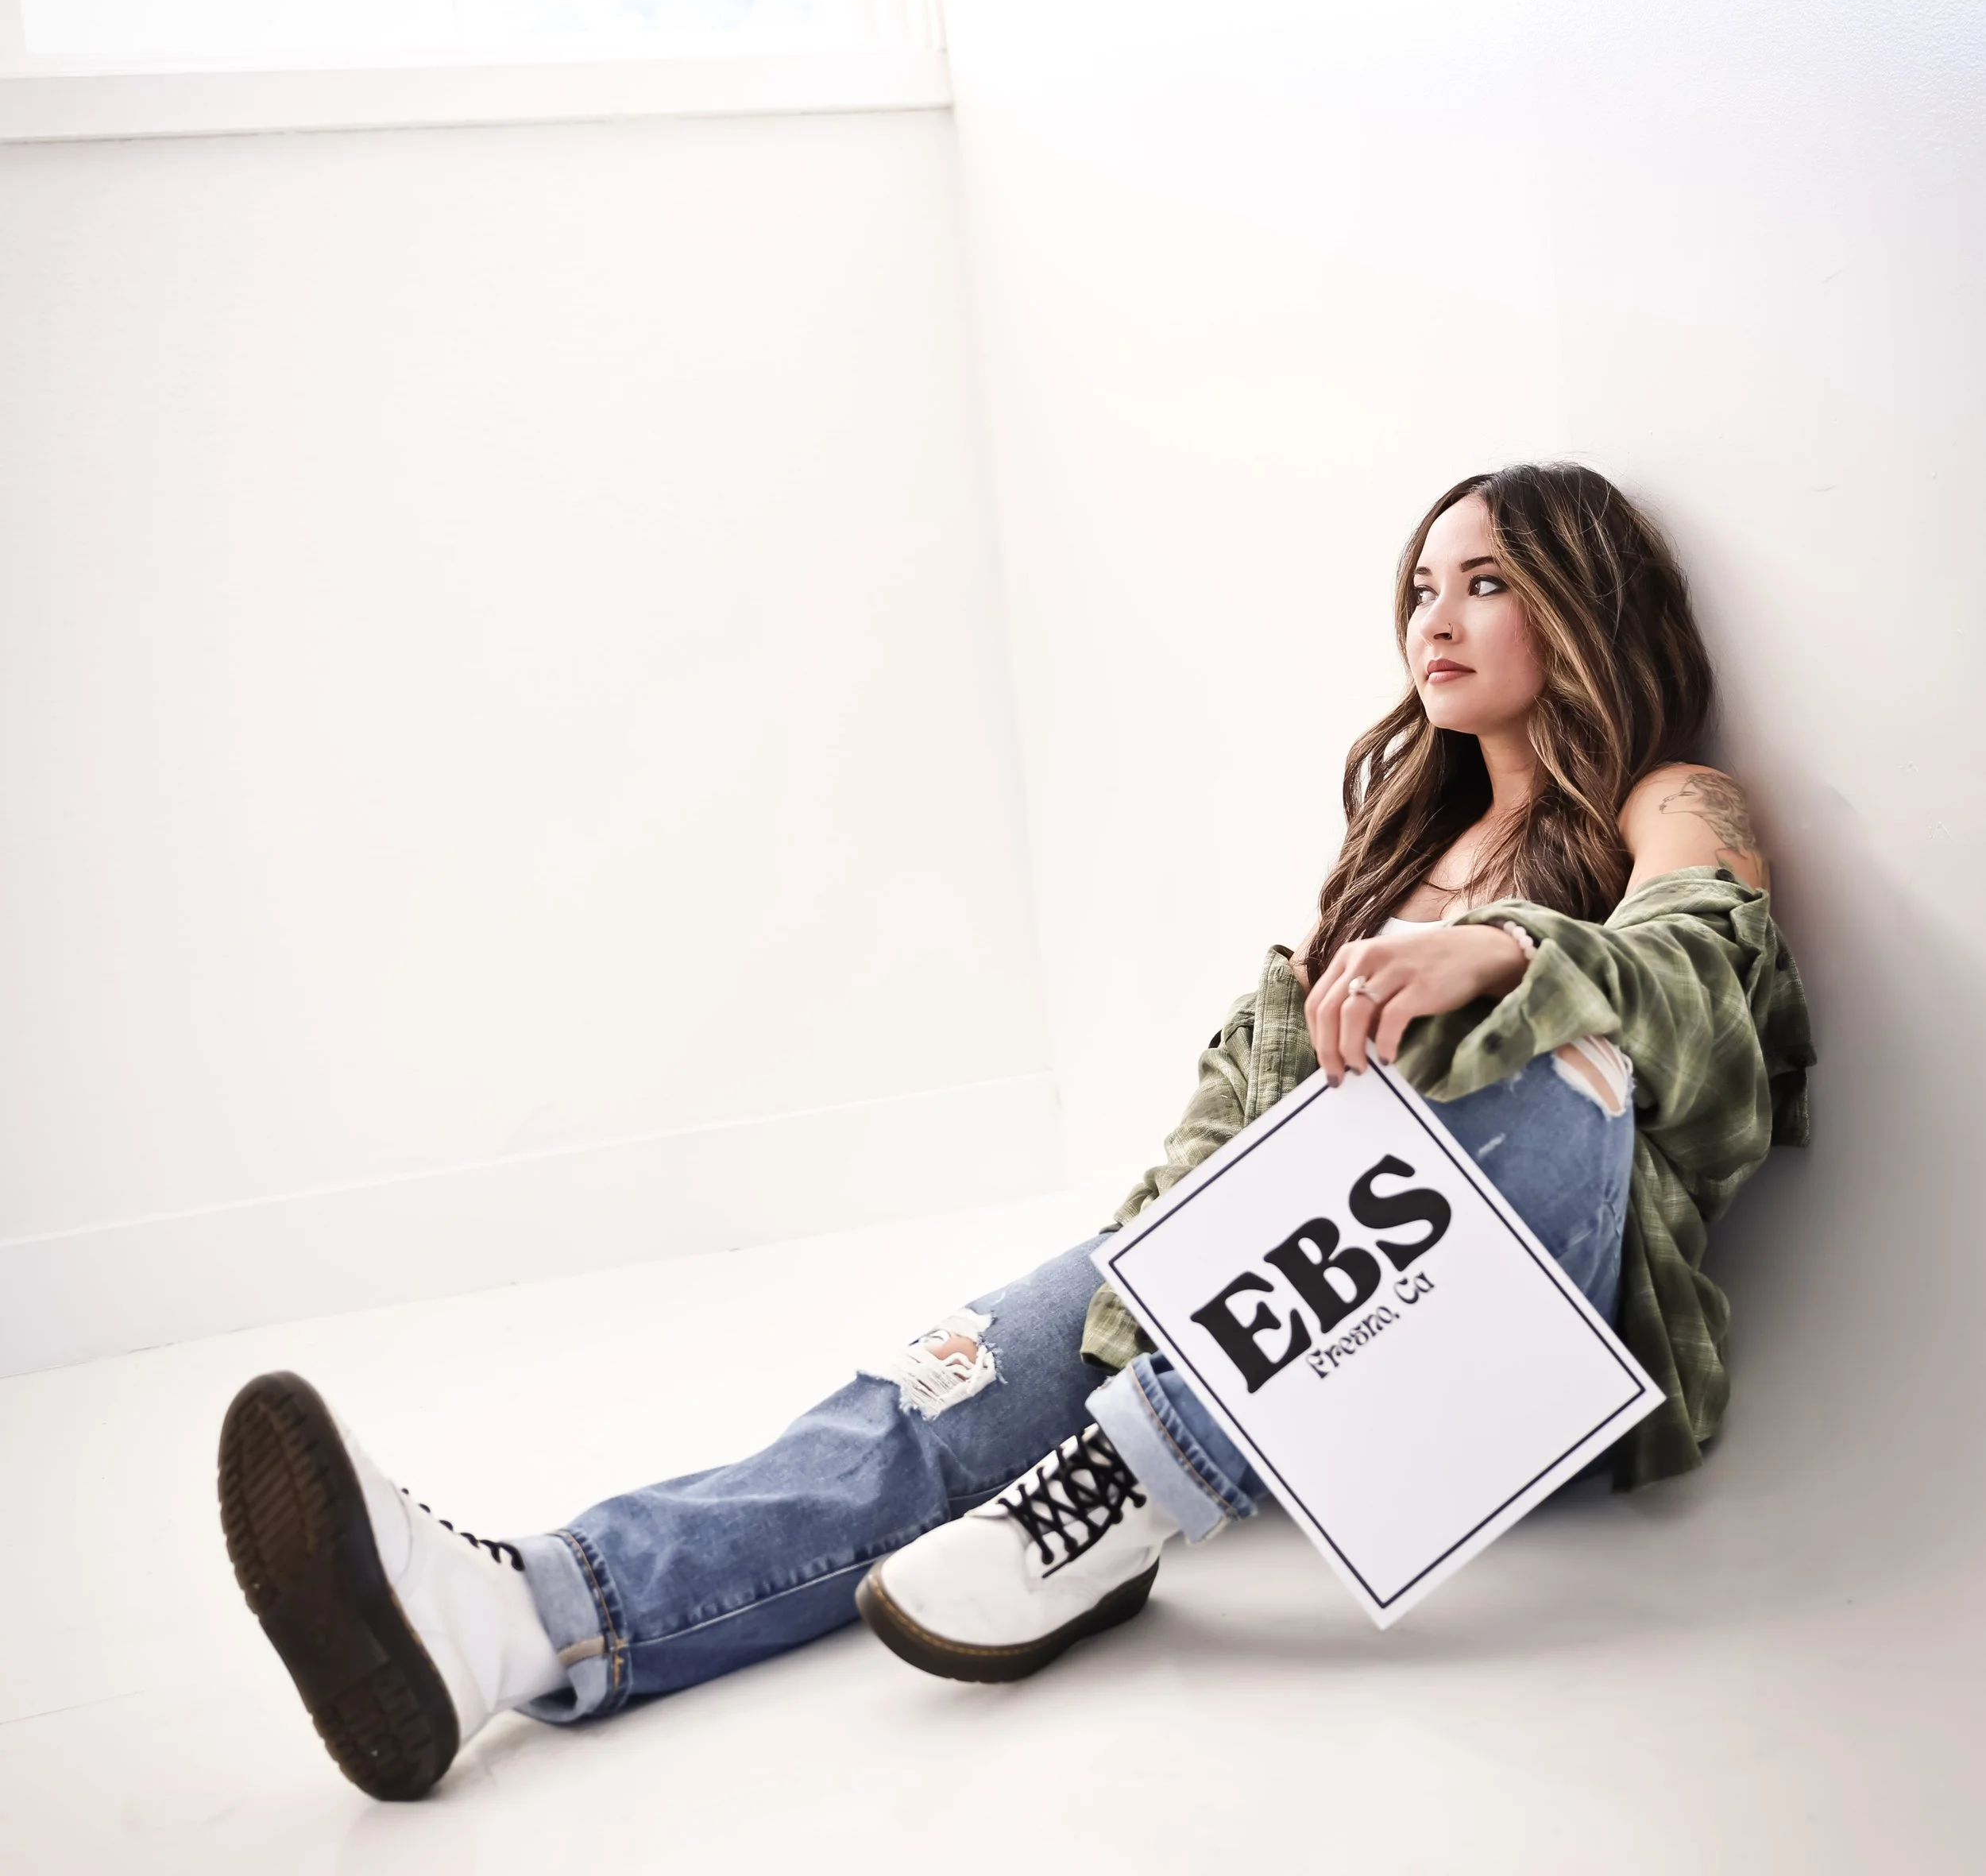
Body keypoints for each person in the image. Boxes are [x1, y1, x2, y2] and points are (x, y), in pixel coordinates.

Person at [217, 463, 1814, 1801]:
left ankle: (1125, 1490)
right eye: (1417, 588)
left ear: (1579, 598)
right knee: (942, 1386)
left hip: (1517, 1356)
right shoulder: (1394, 855)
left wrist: (1509, 951)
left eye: (1484, 581)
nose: (1433, 618)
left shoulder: (1662, 805)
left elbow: (1712, 983)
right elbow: (1237, 1122)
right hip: (1284, 1327)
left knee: (1566, 1063)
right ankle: (529, 1620)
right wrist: (1114, 1301)